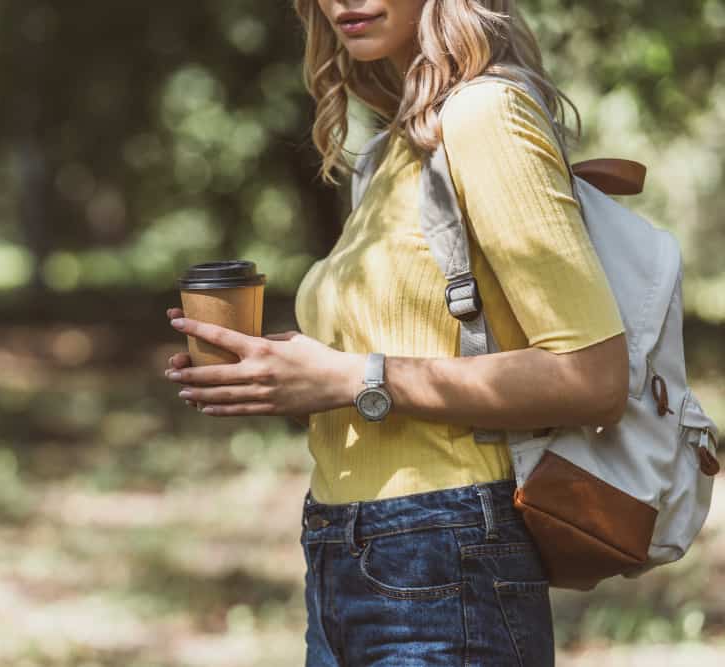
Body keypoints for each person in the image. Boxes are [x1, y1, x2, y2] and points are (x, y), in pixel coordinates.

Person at [163, 1, 629, 664]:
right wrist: (278, 374)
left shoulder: (485, 116)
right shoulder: (392, 149)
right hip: (340, 549)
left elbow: (595, 376)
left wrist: (353, 377)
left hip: (446, 549)